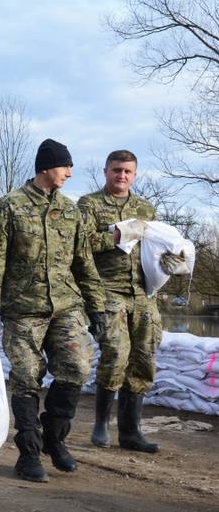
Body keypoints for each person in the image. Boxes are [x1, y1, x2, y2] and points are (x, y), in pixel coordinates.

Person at [0, 138, 106, 483]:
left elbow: (84, 263)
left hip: (66, 306)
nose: (70, 173)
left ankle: (54, 439)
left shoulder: (71, 211)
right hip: (23, 309)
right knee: (27, 377)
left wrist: (98, 308)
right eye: (65, 166)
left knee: (77, 367)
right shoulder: (12, 206)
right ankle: (29, 454)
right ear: (46, 166)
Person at [78, 150, 164, 453]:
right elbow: (81, 244)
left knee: (144, 358)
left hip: (142, 291)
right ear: (106, 171)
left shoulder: (145, 208)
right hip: (107, 290)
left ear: (135, 175)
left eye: (128, 171)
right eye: (116, 170)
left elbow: (155, 246)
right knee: (116, 354)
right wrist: (117, 235)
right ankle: (101, 423)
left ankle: (131, 432)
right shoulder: (90, 204)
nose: (122, 176)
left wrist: (172, 258)